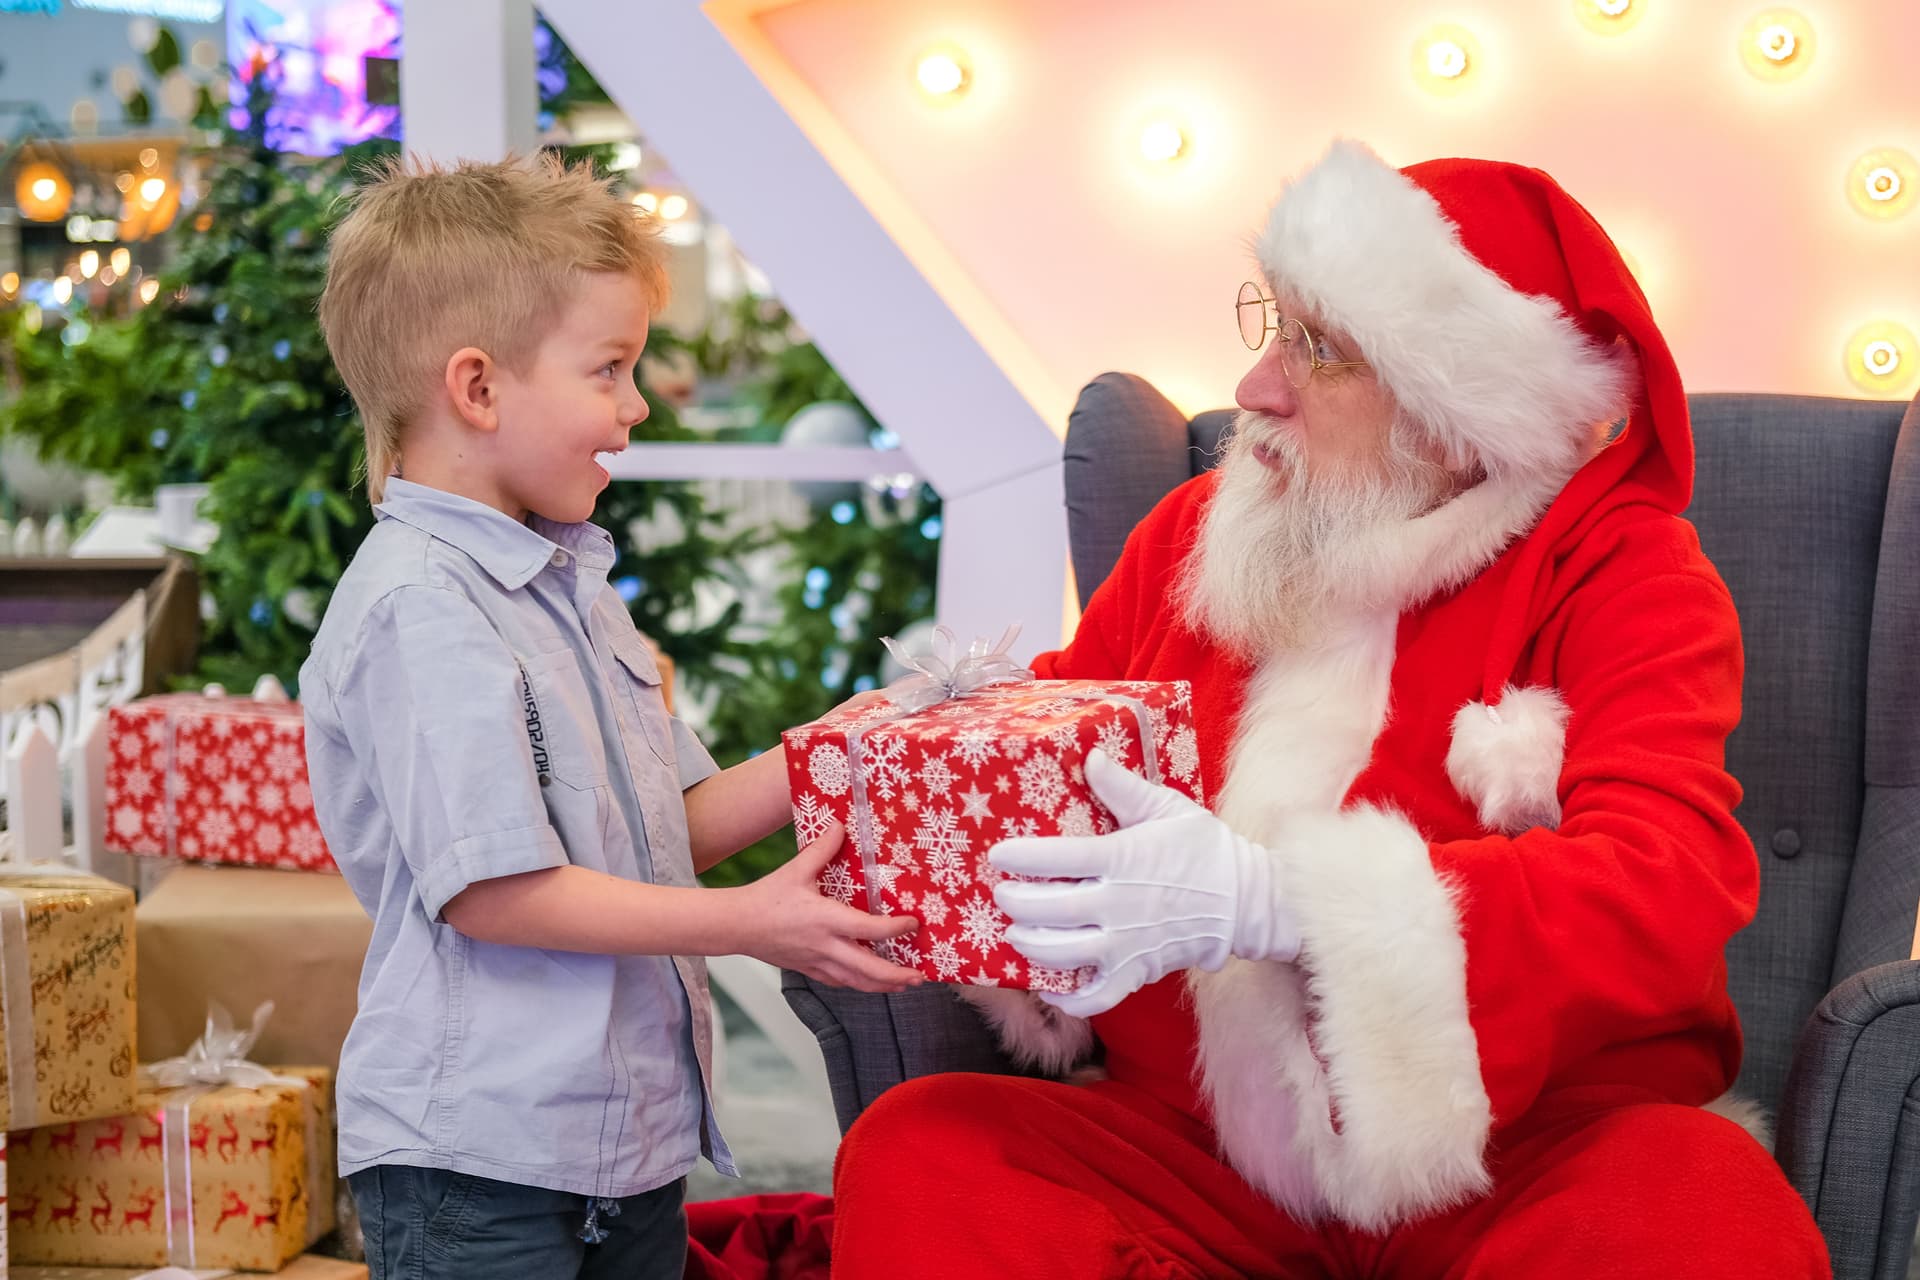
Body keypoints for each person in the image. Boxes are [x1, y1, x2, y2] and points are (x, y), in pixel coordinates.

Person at [829, 141, 1831, 1276]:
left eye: (1321, 350)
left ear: (1458, 413)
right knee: (928, 1148)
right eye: (1273, 325)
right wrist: (870, 810)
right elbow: (1046, 730)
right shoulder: (1200, 534)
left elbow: (1668, 881)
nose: (1255, 389)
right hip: (1194, 1144)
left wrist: (1280, 901)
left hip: (1520, 1147)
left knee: (1692, 1206)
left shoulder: (1626, 569)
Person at [300, 155, 921, 1280]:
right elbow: (493, 891)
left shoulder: (571, 591)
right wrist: (745, 922)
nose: (638, 405)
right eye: (610, 369)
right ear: (478, 388)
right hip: (480, 1167)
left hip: (619, 1150)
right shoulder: (421, 608)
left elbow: (663, 823)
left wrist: (848, 738)